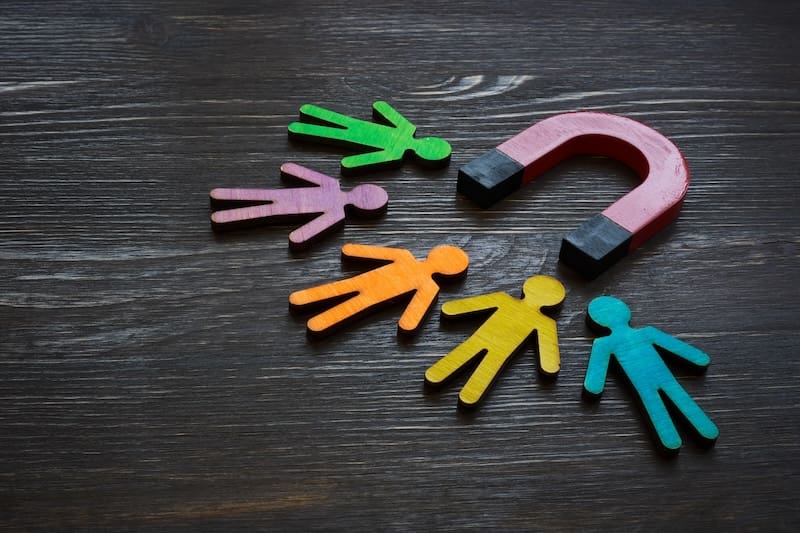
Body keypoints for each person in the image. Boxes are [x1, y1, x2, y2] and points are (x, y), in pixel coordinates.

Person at [584, 296, 719, 452]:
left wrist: (595, 388)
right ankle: (702, 431)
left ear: (598, 320)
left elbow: (594, 383)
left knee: (655, 407)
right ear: (626, 313)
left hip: (644, 384)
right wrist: (699, 358)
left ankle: (672, 440)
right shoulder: (646, 333)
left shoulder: (604, 344)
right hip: (663, 378)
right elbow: (687, 352)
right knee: (680, 399)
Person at [425, 275, 565, 407]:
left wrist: (451, 308)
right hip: (498, 349)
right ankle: (468, 394)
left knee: (461, 356)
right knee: (485, 371)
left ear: (527, 287)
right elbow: (549, 359)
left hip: (485, 341)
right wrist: (549, 366)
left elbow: (462, 306)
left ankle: (438, 376)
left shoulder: (504, 299)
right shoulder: (545, 322)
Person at [289, 244, 469, 337]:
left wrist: (350, 250)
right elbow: (410, 321)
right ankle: (318, 321)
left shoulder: (405, 256)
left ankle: (303, 302)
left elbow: (355, 250)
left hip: (365, 286)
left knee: (336, 289)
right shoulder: (429, 285)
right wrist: (407, 324)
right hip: (373, 297)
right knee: (350, 305)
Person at [210, 162, 388, 249]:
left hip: (285, 199)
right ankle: (223, 212)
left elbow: (293, 170)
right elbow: (304, 234)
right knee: (258, 210)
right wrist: (297, 237)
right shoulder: (337, 212)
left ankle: (222, 203)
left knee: (255, 199)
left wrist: (289, 168)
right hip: (286, 205)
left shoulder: (333, 188)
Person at [288, 101, 451, 173]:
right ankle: (304, 121)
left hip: (357, 131)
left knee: (335, 124)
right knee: (332, 129)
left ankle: (306, 116)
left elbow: (381, 106)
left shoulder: (404, 135)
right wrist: (349, 162)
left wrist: (349, 163)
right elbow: (381, 107)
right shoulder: (396, 151)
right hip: (358, 132)